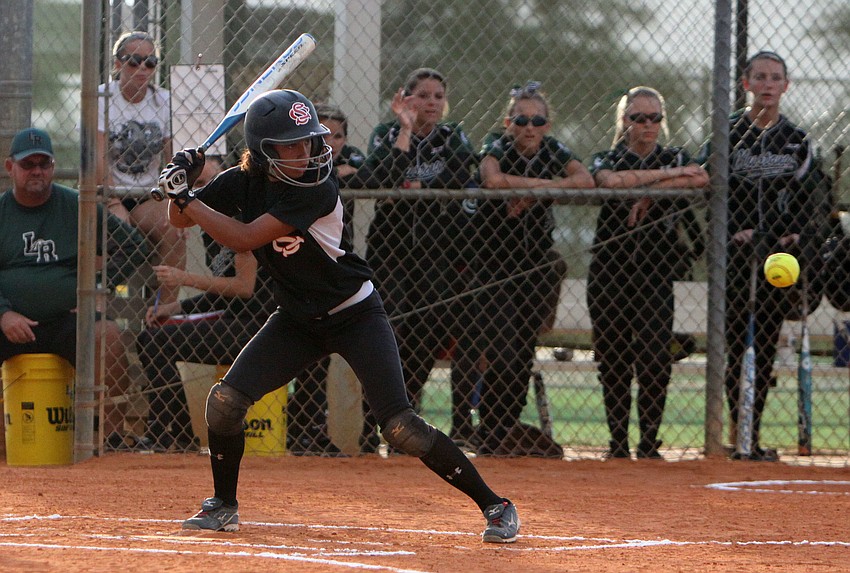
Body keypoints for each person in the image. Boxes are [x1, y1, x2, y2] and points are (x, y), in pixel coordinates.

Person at [156, 89, 520, 542]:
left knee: (400, 427)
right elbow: (179, 220)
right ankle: (223, 505)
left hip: (355, 315)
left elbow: (244, 237)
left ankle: (496, 505)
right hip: (297, 320)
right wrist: (183, 183)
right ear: (263, 153)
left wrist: (186, 196)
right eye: (290, 146)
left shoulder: (317, 188)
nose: (305, 152)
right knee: (226, 403)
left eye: (308, 141)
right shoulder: (241, 181)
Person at [352, 68, 478, 452]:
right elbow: (377, 178)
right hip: (390, 249)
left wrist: (413, 186)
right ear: (406, 99)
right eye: (423, 95)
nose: (432, 103)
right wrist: (405, 131)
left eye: (438, 96)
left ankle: (403, 415)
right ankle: (371, 425)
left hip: (436, 251)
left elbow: (460, 174)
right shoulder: (386, 134)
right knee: (387, 333)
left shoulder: (452, 136)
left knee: (430, 330)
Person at [0, 127, 147, 448]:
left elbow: (135, 246)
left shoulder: (76, 205)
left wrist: (97, 289)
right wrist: (4, 313)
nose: (37, 171)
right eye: (28, 164)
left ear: (53, 167)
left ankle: (108, 437)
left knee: (109, 335)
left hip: (67, 320)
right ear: (10, 167)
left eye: (44, 163)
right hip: (9, 322)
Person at [715, 51, 829, 461]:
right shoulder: (727, 135)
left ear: (785, 85)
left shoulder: (796, 140)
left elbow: (815, 198)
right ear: (746, 84)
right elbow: (712, 191)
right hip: (735, 256)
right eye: (760, 77)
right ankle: (734, 433)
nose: (767, 84)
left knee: (763, 346)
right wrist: (734, 229)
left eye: (775, 78)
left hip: (779, 257)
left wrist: (797, 232)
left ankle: (752, 434)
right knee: (734, 347)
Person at [470, 81, 594, 456]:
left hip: (534, 263)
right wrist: (544, 186)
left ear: (546, 125)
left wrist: (532, 190)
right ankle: (490, 427)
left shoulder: (552, 149)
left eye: (537, 121)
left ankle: (505, 428)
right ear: (508, 122)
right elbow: (492, 178)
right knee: (502, 351)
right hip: (494, 263)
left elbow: (585, 180)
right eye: (521, 120)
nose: (529, 127)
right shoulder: (497, 144)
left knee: (523, 351)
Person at [587, 86, 709, 460]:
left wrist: (649, 190)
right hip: (610, 271)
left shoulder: (674, 154)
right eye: (639, 117)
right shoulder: (609, 156)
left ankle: (649, 442)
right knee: (614, 358)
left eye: (655, 118)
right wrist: (666, 178)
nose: (647, 124)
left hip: (655, 273)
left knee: (655, 357)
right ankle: (617, 443)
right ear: (625, 121)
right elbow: (609, 180)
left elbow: (699, 178)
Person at [135, 156, 276, 452]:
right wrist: (175, 309)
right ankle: (176, 435)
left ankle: (167, 434)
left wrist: (183, 278)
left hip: (257, 327)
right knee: (153, 337)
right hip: (231, 318)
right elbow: (220, 294)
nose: (205, 189)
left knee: (156, 342)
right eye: (197, 184)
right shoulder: (209, 227)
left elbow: (244, 287)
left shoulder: (240, 219)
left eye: (211, 182)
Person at [285, 104, 364, 456]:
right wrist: (339, 171)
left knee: (332, 350)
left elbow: (375, 175)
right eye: (325, 135)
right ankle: (303, 428)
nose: (331, 143)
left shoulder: (354, 157)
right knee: (308, 349)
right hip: (301, 265)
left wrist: (344, 170)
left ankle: (312, 428)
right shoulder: (298, 168)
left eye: (339, 136)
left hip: (337, 268)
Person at [97, 30, 186, 305]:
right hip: (109, 190)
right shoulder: (102, 97)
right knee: (113, 231)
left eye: (150, 62)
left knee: (175, 230)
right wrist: (113, 201)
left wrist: (177, 200)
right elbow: (96, 156)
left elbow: (174, 156)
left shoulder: (164, 100)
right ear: (118, 64)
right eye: (134, 61)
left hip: (149, 193)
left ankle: (165, 309)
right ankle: (99, 303)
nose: (142, 69)